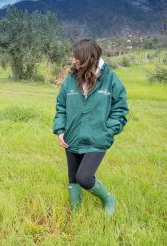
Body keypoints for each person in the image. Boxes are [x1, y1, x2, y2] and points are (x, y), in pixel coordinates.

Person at [53, 39, 129, 215]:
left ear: (88, 58)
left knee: (84, 177)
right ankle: (75, 212)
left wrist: (107, 130)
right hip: (71, 136)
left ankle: (108, 198)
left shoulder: (110, 79)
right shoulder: (70, 79)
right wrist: (61, 130)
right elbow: (61, 106)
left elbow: (120, 109)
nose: (73, 61)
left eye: (76, 57)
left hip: (98, 138)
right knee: (73, 178)